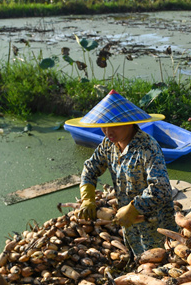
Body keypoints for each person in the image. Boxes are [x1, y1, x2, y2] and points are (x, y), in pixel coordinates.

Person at [69, 90, 177, 257]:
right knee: (137, 262)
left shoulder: (148, 148)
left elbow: (161, 188)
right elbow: (90, 168)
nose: (108, 132)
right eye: (103, 126)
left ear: (130, 122)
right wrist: (88, 198)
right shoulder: (108, 144)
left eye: (115, 126)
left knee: (159, 265)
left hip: (155, 226)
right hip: (129, 226)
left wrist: (134, 208)